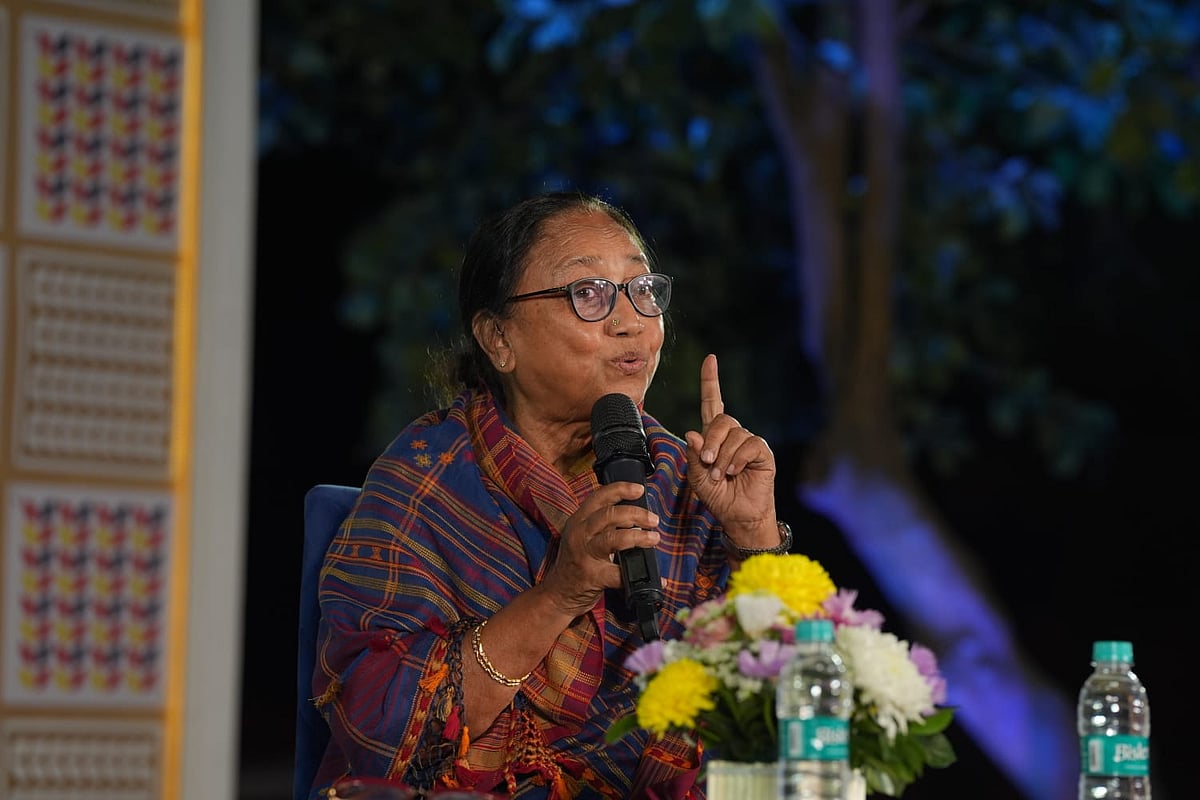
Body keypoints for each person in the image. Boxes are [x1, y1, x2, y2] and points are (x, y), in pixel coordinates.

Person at [309, 191, 792, 799]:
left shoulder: (685, 476)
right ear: (498, 338)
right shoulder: (429, 480)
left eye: (643, 290)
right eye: (587, 293)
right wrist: (560, 594)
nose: (630, 319)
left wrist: (754, 536)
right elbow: (382, 731)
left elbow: (782, 727)